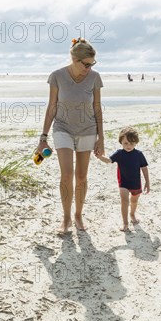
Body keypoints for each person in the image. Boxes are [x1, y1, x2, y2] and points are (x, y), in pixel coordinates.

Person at [37, 38, 105, 234]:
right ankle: (66, 218)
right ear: (74, 59)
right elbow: (52, 107)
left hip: (88, 130)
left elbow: (97, 108)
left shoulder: (94, 78)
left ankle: (78, 215)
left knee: (81, 177)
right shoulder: (57, 76)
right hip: (62, 128)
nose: (89, 68)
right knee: (67, 175)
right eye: (86, 64)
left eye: (92, 64)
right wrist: (43, 138)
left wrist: (101, 138)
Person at [96, 127, 150, 232]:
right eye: (125, 143)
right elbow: (109, 160)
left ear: (136, 143)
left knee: (134, 201)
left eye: (131, 143)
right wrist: (100, 157)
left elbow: (144, 168)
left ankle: (132, 214)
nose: (128, 146)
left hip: (136, 183)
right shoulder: (119, 153)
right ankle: (125, 223)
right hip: (123, 183)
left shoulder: (139, 154)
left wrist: (147, 182)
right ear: (121, 142)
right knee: (124, 201)